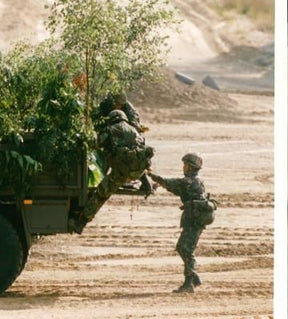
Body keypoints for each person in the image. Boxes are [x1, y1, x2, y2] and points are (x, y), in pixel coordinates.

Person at [70, 109, 153, 234]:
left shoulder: (111, 129)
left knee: (101, 194)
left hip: (121, 173)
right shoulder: (135, 131)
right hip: (138, 171)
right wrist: (145, 181)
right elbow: (140, 154)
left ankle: (81, 222)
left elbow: (94, 144)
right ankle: (145, 184)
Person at [149, 153, 216, 293]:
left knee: (186, 249)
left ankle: (189, 283)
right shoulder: (197, 181)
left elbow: (169, 183)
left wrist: (151, 175)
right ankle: (193, 278)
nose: (183, 167)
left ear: (191, 167)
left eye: (185, 165)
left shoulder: (188, 182)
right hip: (195, 219)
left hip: (194, 220)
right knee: (182, 248)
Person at [97, 91, 152, 194]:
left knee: (132, 152)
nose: (117, 106)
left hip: (126, 142)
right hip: (114, 130)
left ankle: (103, 181)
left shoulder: (130, 111)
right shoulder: (104, 106)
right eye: (115, 105)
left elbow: (135, 128)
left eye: (120, 105)